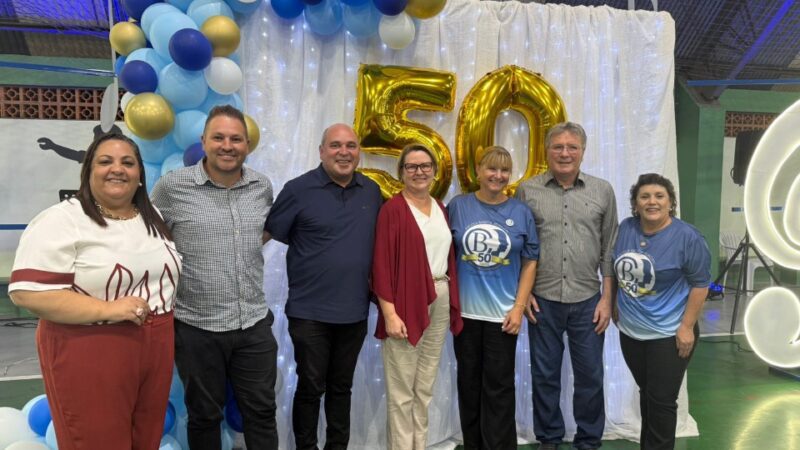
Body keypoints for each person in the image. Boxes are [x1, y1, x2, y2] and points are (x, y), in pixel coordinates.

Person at [9, 133, 180, 450]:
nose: (118, 169)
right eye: (105, 161)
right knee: (97, 441)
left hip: (156, 341)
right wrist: (110, 310)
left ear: (140, 175)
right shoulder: (62, 220)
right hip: (90, 344)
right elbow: (28, 293)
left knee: (146, 438)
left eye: (128, 162)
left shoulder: (151, 216)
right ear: (88, 171)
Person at [151, 105, 278, 449]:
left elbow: (261, 234)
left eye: (236, 139)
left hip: (252, 324)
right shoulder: (171, 188)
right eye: (219, 137)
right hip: (196, 328)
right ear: (203, 141)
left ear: (247, 145)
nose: (227, 145)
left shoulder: (261, 186)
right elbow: (150, 245)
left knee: (262, 413)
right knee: (205, 416)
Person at [264, 123, 383, 450]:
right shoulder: (298, 190)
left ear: (359, 151)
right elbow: (265, 236)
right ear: (321, 151)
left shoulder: (372, 192)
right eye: (335, 145)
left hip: (355, 312)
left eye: (351, 146)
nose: (343, 152)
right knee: (310, 387)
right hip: (309, 313)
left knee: (342, 387)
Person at [515, 121, 619, 450]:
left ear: (583, 152)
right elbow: (521, 246)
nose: (564, 153)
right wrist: (525, 292)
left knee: (590, 377)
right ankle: (549, 438)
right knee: (545, 377)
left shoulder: (602, 191)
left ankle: (588, 441)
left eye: (572, 147)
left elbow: (610, 248)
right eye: (558, 147)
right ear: (546, 151)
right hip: (542, 301)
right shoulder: (527, 191)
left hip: (589, 299)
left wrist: (607, 298)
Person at [372, 143, 464, 450]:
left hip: (439, 293)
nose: (419, 172)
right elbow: (381, 265)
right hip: (404, 302)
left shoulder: (441, 208)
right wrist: (390, 313)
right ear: (401, 173)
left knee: (424, 386)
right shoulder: (393, 210)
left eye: (425, 166)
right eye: (411, 167)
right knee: (401, 391)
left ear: (435, 172)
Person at [448, 146, 539, 449]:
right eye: (491, 169)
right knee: (469, 385)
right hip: (465, 316)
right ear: (478, 171)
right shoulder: (458, 206)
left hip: (503, 316)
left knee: (499, 388)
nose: (497, 176)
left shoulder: (521, 212)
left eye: (504, 170)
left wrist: (519, 307)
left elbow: (530, 261)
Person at [612, 173, 710, 450]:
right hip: (631, 333)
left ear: (670, 203)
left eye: (659, 196)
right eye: (644, 196)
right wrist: (616, 302)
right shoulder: (626, 229)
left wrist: (687, 327)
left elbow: (700, 285)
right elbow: (616, 268)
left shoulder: (687, 237)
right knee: (648, 396)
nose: (651, 201)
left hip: (669, 334)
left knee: (662, 401)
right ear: (635, 204)